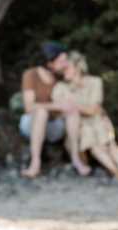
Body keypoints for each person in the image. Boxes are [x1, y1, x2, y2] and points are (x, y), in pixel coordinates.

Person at [52, 51, 118, 182]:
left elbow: (94, 110)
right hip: (80, 127)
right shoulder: (61, 87)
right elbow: (61, 109)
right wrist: (82, 108)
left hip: (98, 122)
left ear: (77, 67)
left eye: (67, 68)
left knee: (110, 145)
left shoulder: (95, 82)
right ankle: (117, 172)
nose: (63, 71)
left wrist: (74, 105)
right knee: (95, 145)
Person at [19, 41, 90, 178]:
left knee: (72, 111)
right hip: (30, 124)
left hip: (54, 126)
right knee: (41, 112)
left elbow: (77, 93)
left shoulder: (62, 77)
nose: (65, 63)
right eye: (61, 60)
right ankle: (35, 163)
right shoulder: (31, 74)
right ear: (49, 63)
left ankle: (76, 159)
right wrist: (56, 106)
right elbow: (29, 107)